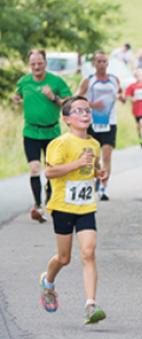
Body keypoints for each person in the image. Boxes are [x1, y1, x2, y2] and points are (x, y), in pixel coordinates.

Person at [39, 96, 107, 324]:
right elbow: (49, 173)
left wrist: (99, 173)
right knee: (64, 257)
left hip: (86, 206)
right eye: (78, 111)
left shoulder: (94, 144)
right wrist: (76, 164)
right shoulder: (60, 143)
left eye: (87, 110)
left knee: (88, 252)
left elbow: (93, 168)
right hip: (62, 206)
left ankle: (90, 304)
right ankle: (48, 282)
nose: (85, 114)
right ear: (67, 119)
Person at [13, 49, 73, 222]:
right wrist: (16, 98)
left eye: (40, 63)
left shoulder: (56, 81)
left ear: (45, 63)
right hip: (31, 132)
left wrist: (53, 97)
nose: (36, 67)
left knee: (51, 171)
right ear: (29, 65)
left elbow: (68, 102)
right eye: (33, 64)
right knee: (34, 168)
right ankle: (38, 206)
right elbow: (18, 94)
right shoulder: (24, 81)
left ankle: (50, 202)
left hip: (51, 132)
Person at [77, 51, 125, 201]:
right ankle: (97, 178)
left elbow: (121, 93)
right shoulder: (88, 80)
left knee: (107, 156)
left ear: (108, 63)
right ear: (94, 64)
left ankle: (103, 188)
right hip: (92, 123)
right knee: (94, 158)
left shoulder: (114, 80)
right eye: (99, 62)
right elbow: (76, 98)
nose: (102, 64)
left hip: (110, 122)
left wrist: (122, 97)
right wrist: (92, 105)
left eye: (104, 61)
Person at [124, 69, 142, 149]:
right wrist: (132, 98)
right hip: (136, 110)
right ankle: (140, 138)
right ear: (135, 77)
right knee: (138, 125)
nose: (139, 77)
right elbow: (127, 95)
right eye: (137, 76)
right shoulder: (132, 86)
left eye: (140, 76)